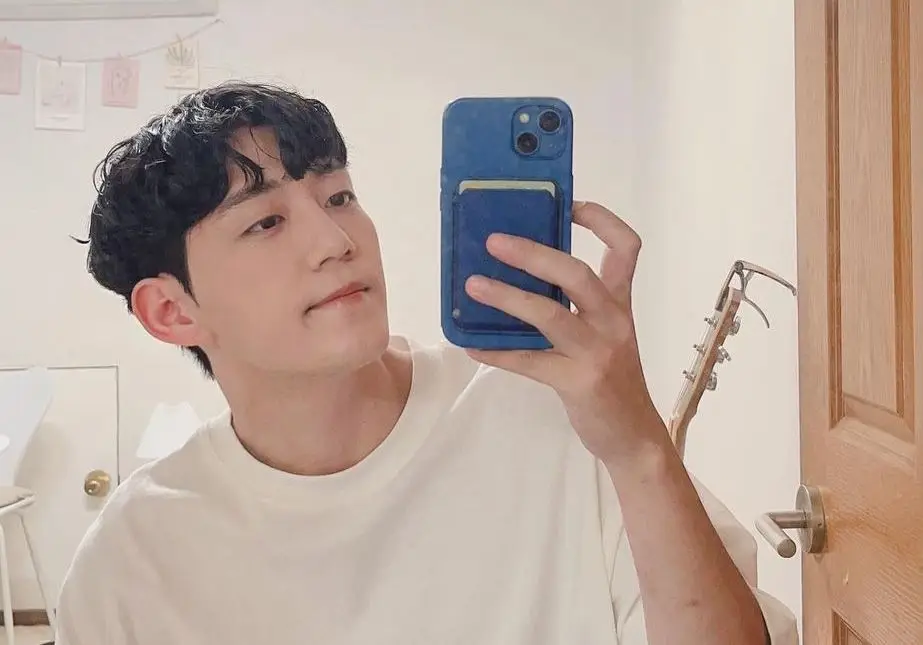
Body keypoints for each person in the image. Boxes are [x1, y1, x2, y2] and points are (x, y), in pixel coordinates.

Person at [56, 81, 796, 645]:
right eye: (266, 221)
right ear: (172, 311)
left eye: (339, 195)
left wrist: (639, 450)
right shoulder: (134, 559)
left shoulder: (551, 413)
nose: (337, 240)